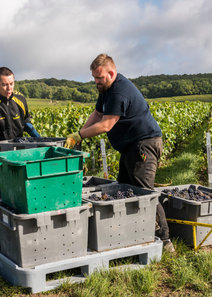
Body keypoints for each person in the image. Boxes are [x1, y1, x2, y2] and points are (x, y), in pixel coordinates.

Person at [65, 54, 175, 253]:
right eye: (94, 78)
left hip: (144, 145)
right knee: (124, 188)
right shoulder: (107, 88)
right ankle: (133, 233)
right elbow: (98, 114)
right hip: (131, 147)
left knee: (144, 192)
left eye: (99, 78)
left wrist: (78, 134)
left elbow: (106, 125)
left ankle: (165, 241)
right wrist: (79, 136)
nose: (96, 82)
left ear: (111, 73)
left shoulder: (119, 92)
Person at [0, 67, 41, 187]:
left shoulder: (20, 98)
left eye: (11, 84)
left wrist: (31, 129)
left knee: (18, 185)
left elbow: (26, 119)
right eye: (5, 85)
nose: (9, 88)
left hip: (17, 148)